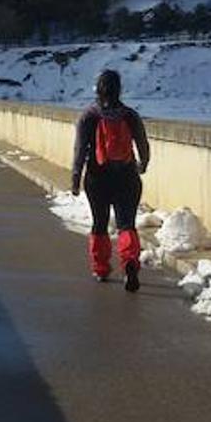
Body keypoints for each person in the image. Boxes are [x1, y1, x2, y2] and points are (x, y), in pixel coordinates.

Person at [71, 69, 151, 291]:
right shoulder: (130, 115)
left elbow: (79, 150)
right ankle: (130, 261)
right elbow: (143, 145)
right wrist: (142, 165)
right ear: (119, 89)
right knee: (127, 224)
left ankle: (101, 268)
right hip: (126, 176)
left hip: (97, 178)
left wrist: (76, 177)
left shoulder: (89, 116)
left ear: (98, 89)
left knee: (99, 223)